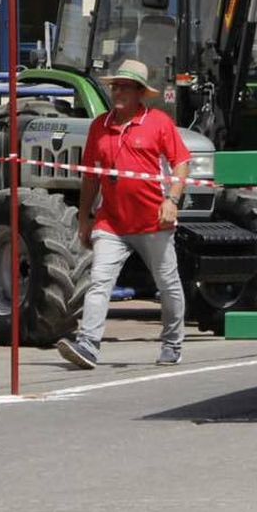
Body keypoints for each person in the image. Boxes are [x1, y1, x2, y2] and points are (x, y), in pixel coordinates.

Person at [56, 59, 190, 370]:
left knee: (167, 283)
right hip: (111, 223)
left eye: (126, 87)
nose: (118, 92)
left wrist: (172, 199)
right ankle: (88, 344)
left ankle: (172, 343)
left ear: (140, 93)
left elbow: (182, 162)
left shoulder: (158, 123)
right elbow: (91, 177)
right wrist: (84, 218)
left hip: (154, 221)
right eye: (116, 86)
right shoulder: (99, 126)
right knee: (99, 281)